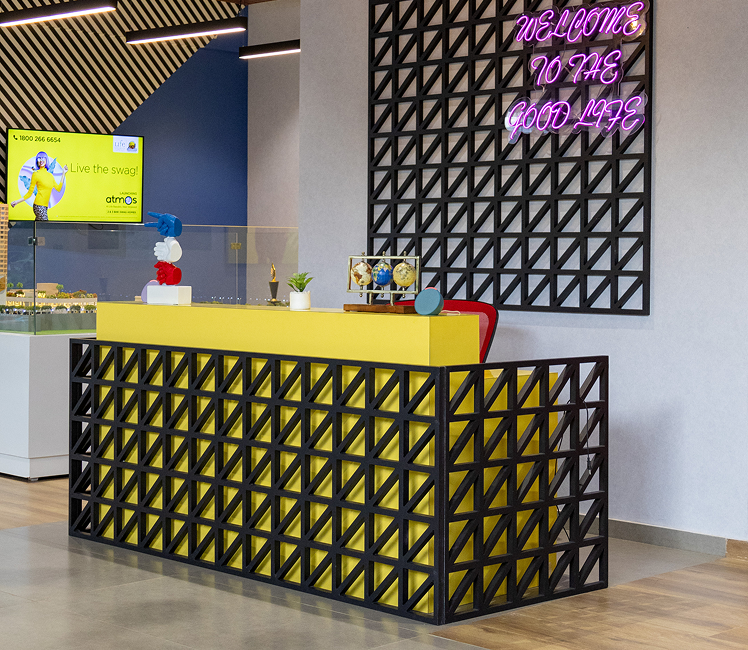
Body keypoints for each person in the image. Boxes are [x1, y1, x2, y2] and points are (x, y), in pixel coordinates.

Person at [10, 152, 68, 221]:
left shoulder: (50, 176)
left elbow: (58, 188)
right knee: (44, 225)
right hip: (38, 205)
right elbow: (29, 193)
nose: (41, 160)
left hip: (45, 207)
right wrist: (17, 202)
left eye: (43, 158)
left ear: (46, 160)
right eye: (39, 158)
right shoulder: (35, 174)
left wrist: (63, 173)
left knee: (39, 225)